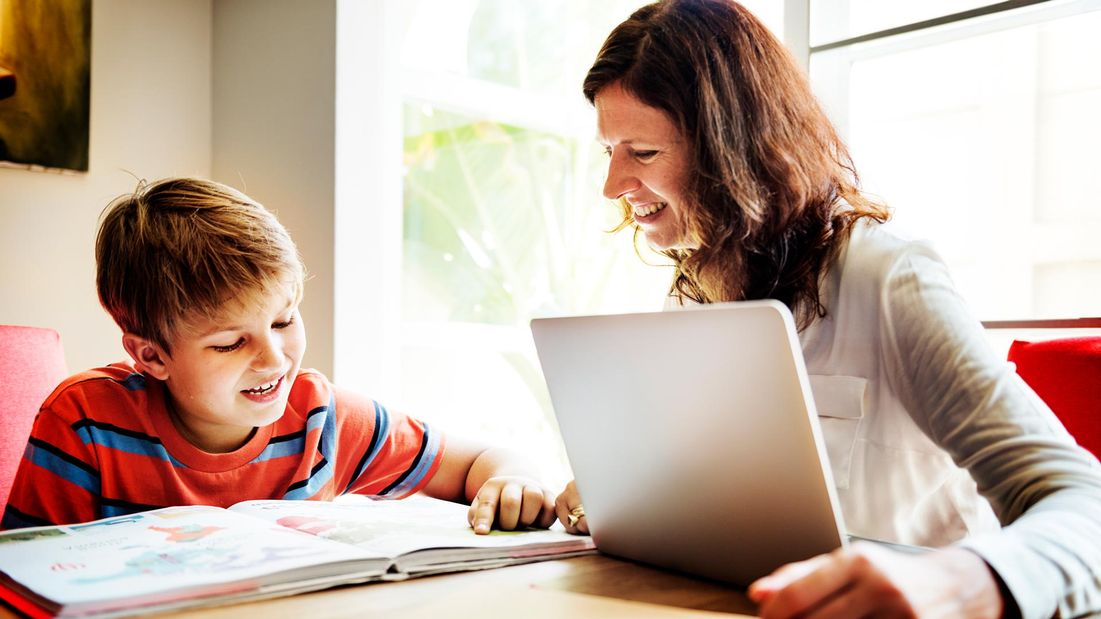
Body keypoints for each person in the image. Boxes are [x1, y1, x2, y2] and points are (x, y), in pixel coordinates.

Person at [553, 1, 1101, 618]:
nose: (613, 186)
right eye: (609, 151)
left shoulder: (889, 280)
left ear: (732, 151)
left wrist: (969, 582)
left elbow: (1085, 506)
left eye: (644, 154)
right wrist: (621, 497)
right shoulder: (693, 292)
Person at [2, 177, 557, 537]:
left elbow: (485, 460)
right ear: (152, 357)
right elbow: (22, 576)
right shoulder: (83, 424)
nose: (274, 358)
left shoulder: (322, 418)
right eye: (229, 343)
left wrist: (515, 480)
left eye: (284, 321)